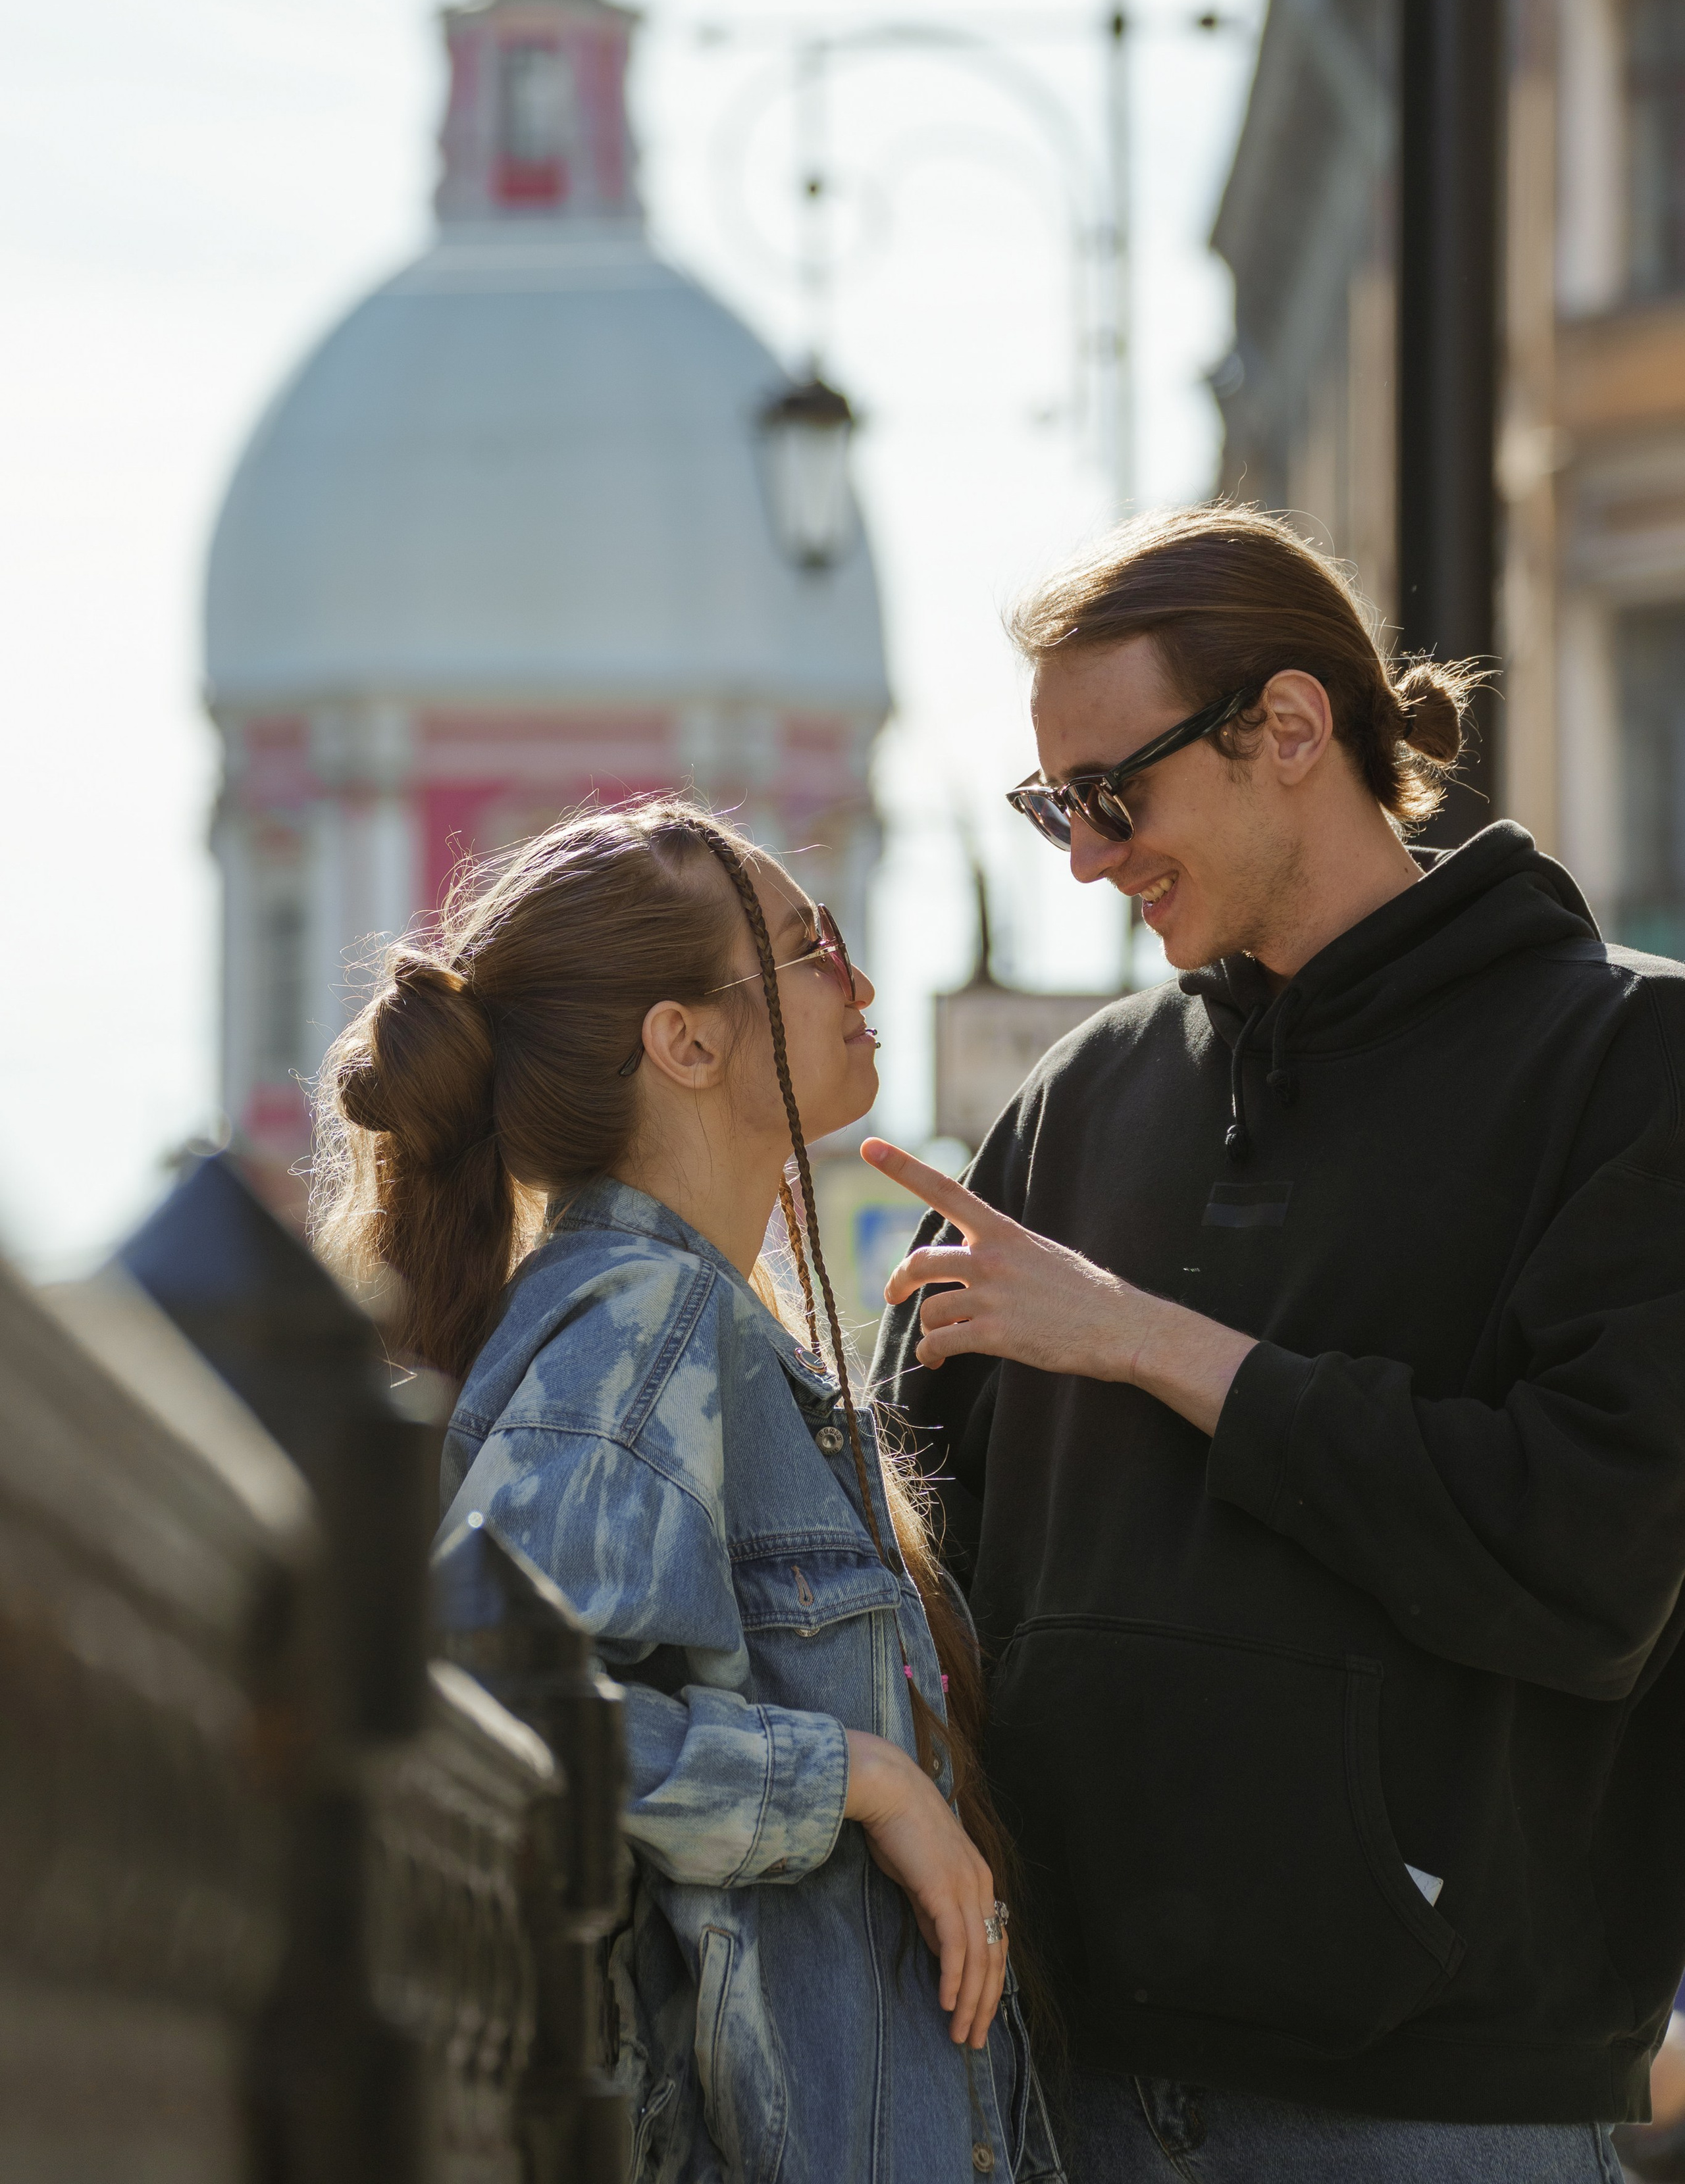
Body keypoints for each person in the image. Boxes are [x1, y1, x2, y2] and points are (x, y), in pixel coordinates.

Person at [869, 505, 1685, 2184]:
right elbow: (924, 1573)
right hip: (1059, 2094)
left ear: (1288, 731)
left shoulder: (1626, 1063)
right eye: (1051, 809)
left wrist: (1154, 1346)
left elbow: (1586, 1562)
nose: (1084, 855)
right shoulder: (1079, 1096)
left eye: (1114, 793)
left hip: (1442, 2118)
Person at [313, 800, 1065, 2184]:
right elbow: (502, 1725)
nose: (860, 983)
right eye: (808, 946)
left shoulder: (699, 1324)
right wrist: (863, 1781)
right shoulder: (641, 1319)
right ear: (688, 1039)